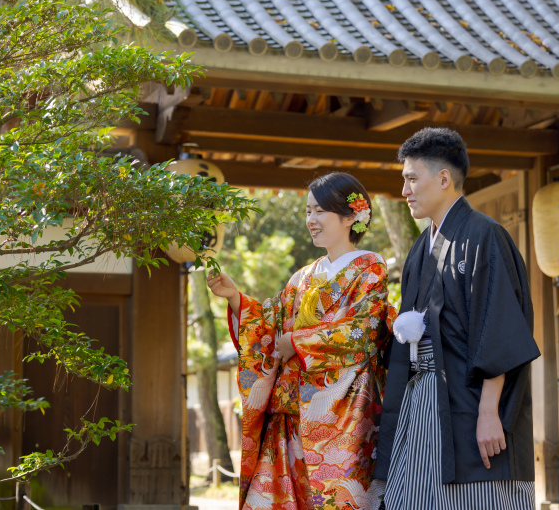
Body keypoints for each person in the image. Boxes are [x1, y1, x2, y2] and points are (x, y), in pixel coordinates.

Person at [374, 128, 540, 509]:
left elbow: (498, 327)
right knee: (413, 497)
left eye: (412, 179)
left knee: (476, 495)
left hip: (469, 399)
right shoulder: (420, 249)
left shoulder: (485, 236)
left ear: (443, 178)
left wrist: (488, 413)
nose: (405, 191)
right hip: (423, 395)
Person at [208, 172, 395, 510]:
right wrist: (236, 298)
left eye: (320, 211)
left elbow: (363, 333)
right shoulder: (302, 278)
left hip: (342, 415)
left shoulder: (370, 269)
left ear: (352, 215)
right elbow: (268, 327)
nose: (311, 220)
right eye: (308, 211)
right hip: (289, 412)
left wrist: (297, 342)